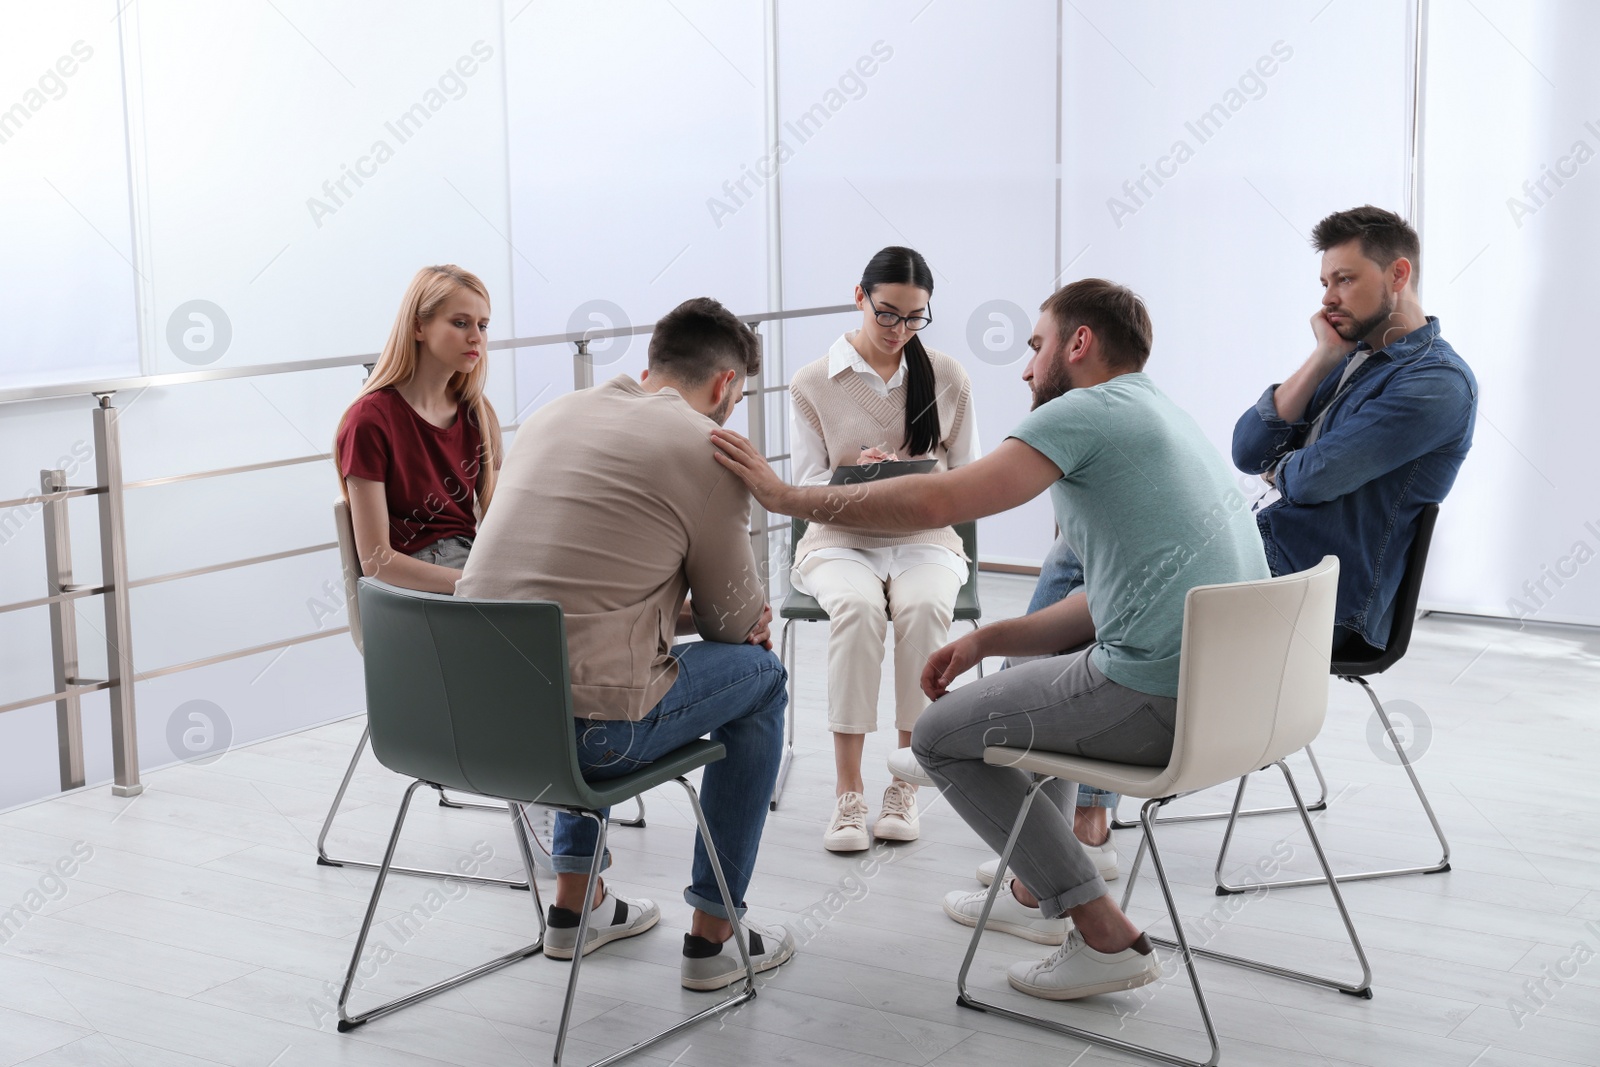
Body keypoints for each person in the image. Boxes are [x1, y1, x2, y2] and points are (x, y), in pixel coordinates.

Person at [711, 279, 1269, 1000]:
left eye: (1037, 346)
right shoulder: (1161, 411)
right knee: (1041, 679)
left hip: (1160, 699)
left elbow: (944, 498)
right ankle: (1033, 893)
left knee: (939, 737)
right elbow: (1110, 600)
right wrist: (987, 640)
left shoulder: (1083, 411)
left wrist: (787, 498)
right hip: (1237, 699)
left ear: (1080, 343)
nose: (1029, 367)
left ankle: (1102, 931)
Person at [455, 296, 795, 992]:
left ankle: (577, 907)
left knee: (592, 663)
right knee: (762, 676)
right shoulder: (708, 448)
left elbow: (579, 589)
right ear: (726, 385)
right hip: (586, 741)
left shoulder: (556, 413)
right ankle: (715, 935)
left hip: (471, 721)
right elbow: (737, 628)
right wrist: (738, 613)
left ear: (650, 366)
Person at [788, 246, 980, 852]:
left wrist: (910, 474)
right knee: (859, 609)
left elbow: (968, 475)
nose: (900, 330)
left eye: (915, 318)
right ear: (860, 298)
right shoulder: (812, 383)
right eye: (888, 314)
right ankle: (849, 795)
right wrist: (857, 472)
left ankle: (906, 784)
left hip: (925, 540)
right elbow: (807, 486)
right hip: (840, 540)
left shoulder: (946, 376)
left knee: (923, 610)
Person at [1234, 204, 1476, 653]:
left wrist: (1279, 469)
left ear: (1397, 275)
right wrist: (1323, 358)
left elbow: (1314, 479)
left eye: (1344, 280)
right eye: (1326, 283)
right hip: (1266, 559)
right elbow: (1248, 452)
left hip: (1317, 598)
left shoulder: (1437, 382)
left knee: (1123, 577)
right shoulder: (1349, 358)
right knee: (1101, 547)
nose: (1327, 298)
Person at [336, 264, 502, 591]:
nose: (476, 338)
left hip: (473, 561)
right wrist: (475, 584)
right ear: (418, 327)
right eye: (460, 323)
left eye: (482, 326)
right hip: (420, 582)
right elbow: (376, 560)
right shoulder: (368, 420)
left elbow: (499, 520)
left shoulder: (478, 414)